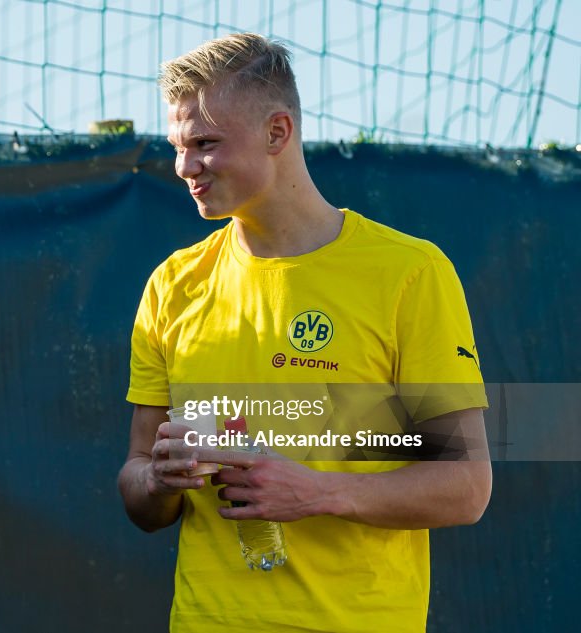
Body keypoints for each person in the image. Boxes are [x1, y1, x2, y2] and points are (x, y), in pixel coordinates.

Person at [118, 33, 491, 633]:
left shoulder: (410, 273)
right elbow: (137, 484)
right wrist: (161, 477)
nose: (185, 166)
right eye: (178, 146)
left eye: (205, 144)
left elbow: (466, 487)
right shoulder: (173, 285)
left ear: (277, 132)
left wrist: (318, 491)